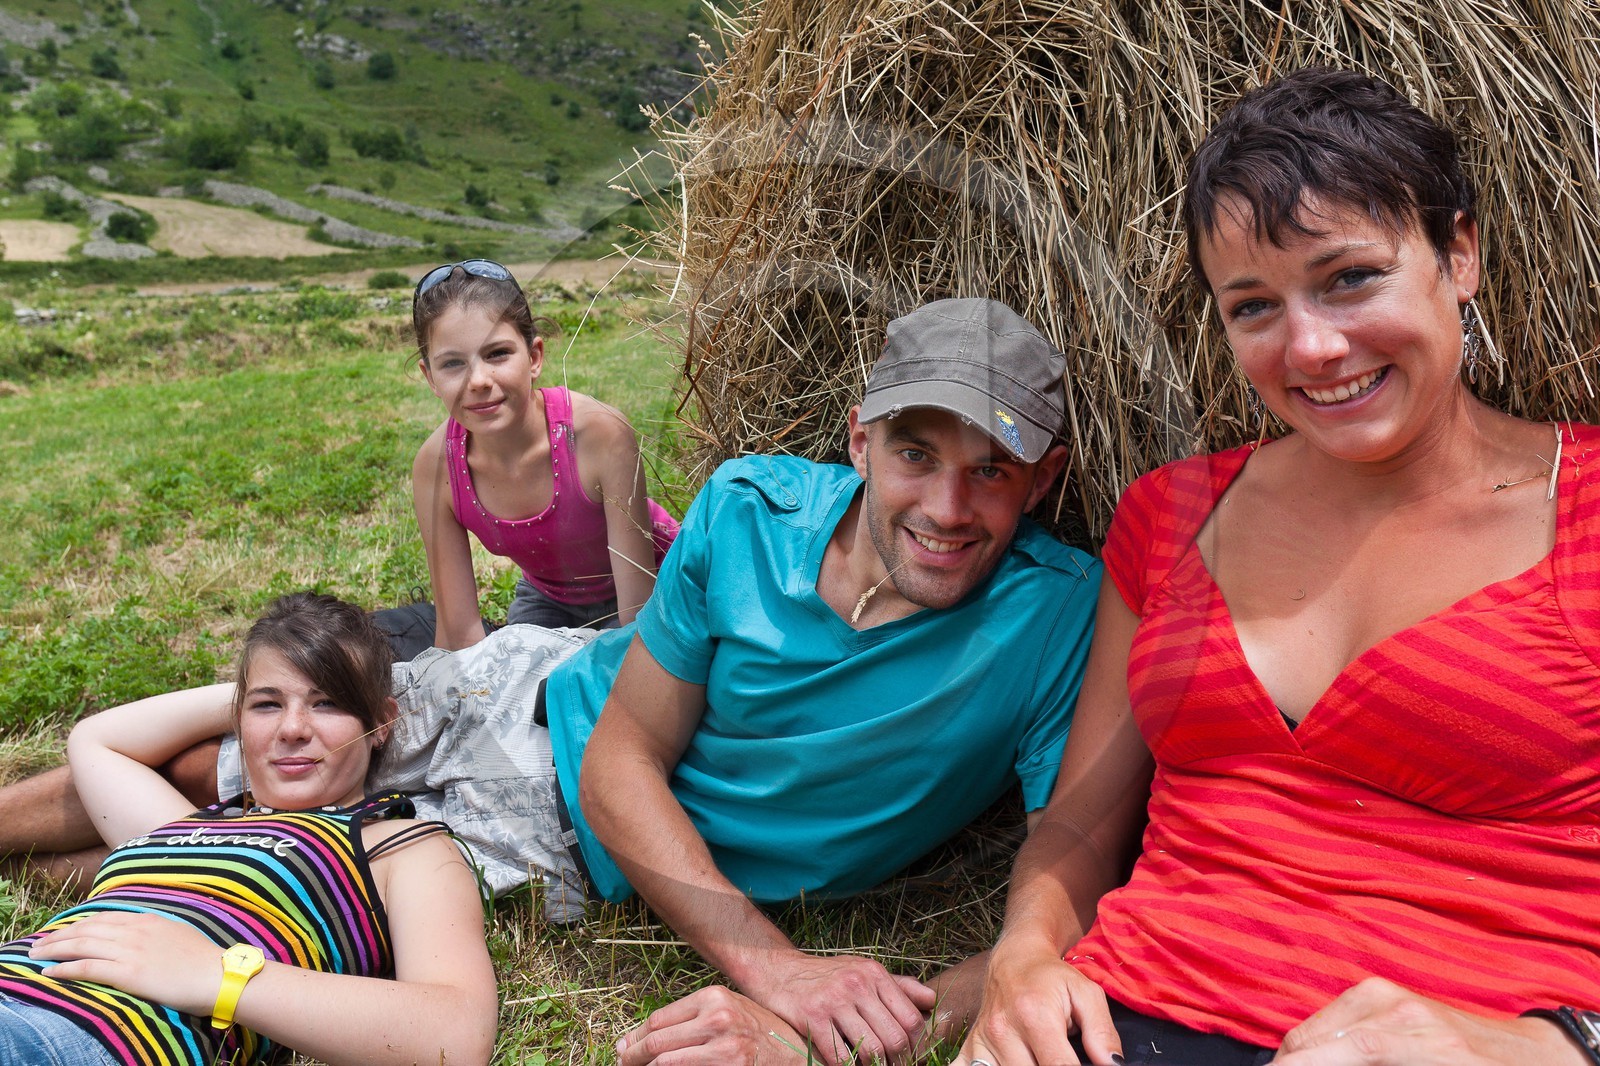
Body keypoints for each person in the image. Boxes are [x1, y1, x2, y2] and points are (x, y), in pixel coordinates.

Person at [0, 298, 1103, 1065]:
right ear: (861, 440)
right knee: (212, 764)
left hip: (554, 843)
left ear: (1042, 475)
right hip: (529, 692)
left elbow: (1068, 884)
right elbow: (625, 758)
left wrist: (874, 1016)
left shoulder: (1057, 618)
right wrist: (777, 969)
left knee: (275, 876)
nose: (949, 508)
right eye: (917, 452)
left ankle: (107, 920)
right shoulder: (751, 508)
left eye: (992, 469)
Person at [955, 67, 1600, 1066]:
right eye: (1253, 306)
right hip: (1126, 1022)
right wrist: (1026, 954)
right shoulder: (1170, 514)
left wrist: (1538, 1046)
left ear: (1458, 254)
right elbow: (1077, 828)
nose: (1310, 345)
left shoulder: (1588, 512)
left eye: (1350, 278)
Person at [0, 593, 496, 1066]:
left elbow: (456, 1034)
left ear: (381, 722)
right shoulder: (181, 827)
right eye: (267, 706)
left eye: (327, 702)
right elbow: (96, 740)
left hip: (84, 1034)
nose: (293, 729)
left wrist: (221, 976)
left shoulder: (397, 845)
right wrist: (249, 690)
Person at [411, 258, 678, 646]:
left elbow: (638, 618)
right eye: (452, 364)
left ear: (534, 357)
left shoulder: (600, 434)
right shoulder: (436, 467)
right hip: (549, 600)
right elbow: (458, 632)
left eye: (497, 354)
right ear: (430, 377)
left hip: (655, 587)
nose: (479, 381)